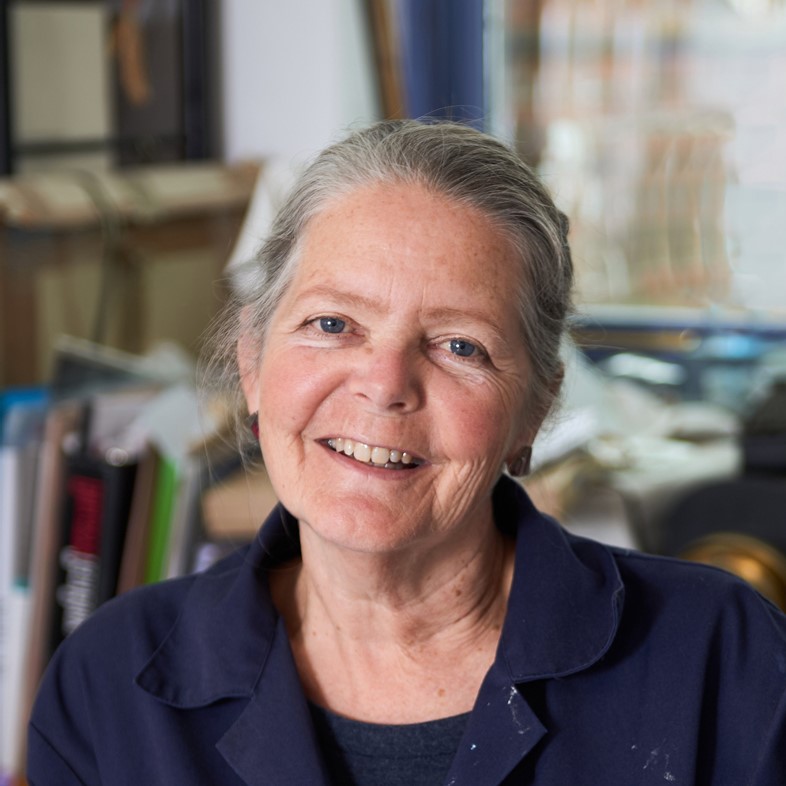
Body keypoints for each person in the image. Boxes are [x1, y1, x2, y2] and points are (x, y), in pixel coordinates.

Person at [28, 120, 786, 785]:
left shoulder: (724, 659)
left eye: (461, 346)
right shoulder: (108, 686)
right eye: (332, 324)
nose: (386, 385)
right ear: (253, 363)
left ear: (536, 409)